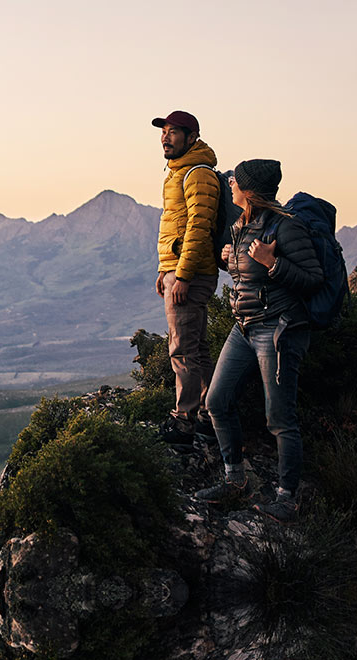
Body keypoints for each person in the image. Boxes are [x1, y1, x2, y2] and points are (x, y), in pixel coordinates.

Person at [195, 159, 323, 522]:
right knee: (217, 400)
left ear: (250, 191)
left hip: (278, 330)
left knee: (280, 418)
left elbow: (312, 278)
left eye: (236, 179)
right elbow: (245, 273)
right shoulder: (241, 224)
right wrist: (227, 258)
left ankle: (288, 499)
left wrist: (273, 264)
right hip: (244, 327)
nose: (230, 182)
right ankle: (235, 480)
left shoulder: (287, 227)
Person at [151, 110, 227, 437]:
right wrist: (164, 270)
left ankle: (185, 420)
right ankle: (211, 414)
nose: (165, 137)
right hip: (180, 271)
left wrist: (181, 276)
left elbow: (198, 227)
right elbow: (176, 227)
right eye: (163, 131)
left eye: (173, 132)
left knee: (182, 349)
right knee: (196, 347)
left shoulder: (197, 174)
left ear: (191, 137)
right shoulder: (177, 173)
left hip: (192, 275)